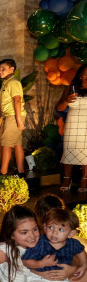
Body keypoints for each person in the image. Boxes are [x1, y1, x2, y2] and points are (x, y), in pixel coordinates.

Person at [56, 63, 87, 192]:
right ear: (80, 75)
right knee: (69, 149)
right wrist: (66, 101)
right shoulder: (70, 88)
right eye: (86, 74)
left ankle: (84, 179)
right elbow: (59, 108)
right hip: (73, 123)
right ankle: (67, 178)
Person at [0, 59, 26, 176]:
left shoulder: (13, 82)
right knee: (17, 144)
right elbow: (4, 104)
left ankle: (3, 173)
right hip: (10, 116)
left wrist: (18, 120)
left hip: (13, 117)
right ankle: (21, 172)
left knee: (6, 144)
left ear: (12, 69)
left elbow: (17, 100)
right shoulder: (6, 83)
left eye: (3, 69)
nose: (0, 71)